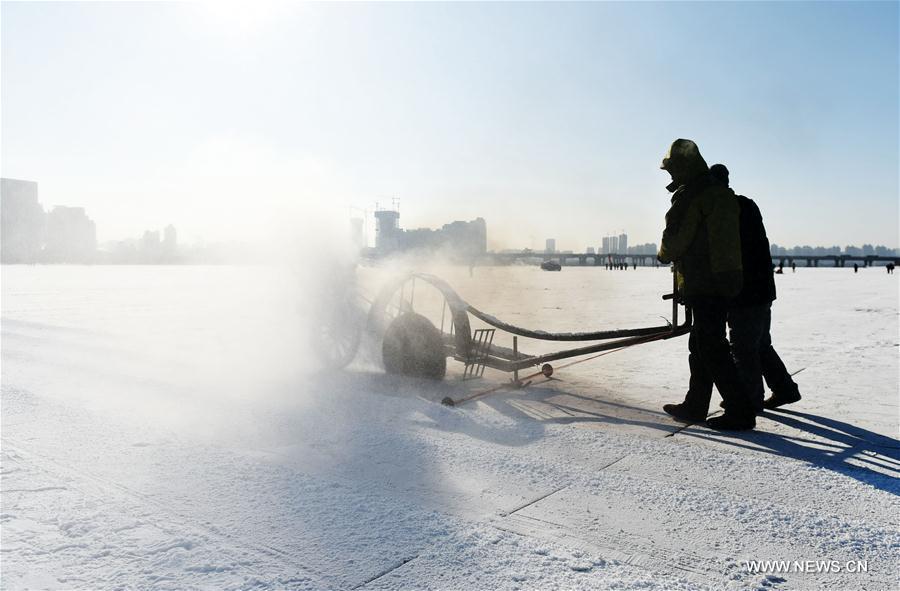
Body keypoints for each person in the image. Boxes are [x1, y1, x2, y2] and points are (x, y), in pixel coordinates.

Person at [657, 140, 756, 430]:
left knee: (711, 347)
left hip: (705, 281)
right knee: (702, 344)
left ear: (683, 168)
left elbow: (675, 241)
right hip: (725, 279)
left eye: (672, 170)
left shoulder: (693, 195)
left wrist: (664, 254)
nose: (671, 176)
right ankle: (696, 404)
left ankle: (740, 410)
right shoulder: (720, 193)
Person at [700, 164, 802, 411]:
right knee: (760, 343)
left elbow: (728, 252)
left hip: (745, 289)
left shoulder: (727, 210)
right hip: (763, 287)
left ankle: (750, 400)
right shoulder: (747, 204)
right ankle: (785, 389)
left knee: (743, 346)